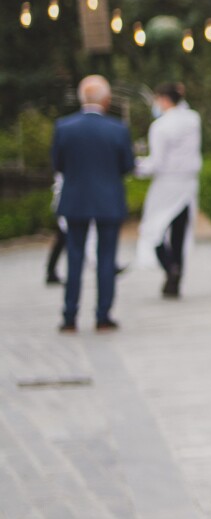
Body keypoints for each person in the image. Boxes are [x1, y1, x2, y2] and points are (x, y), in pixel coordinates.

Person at [50, 75, 134, 332]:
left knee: (74, 258)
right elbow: (127, 166)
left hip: (75, 200)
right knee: (106, 258)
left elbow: (58, 165)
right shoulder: (118, 128)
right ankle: (103, 315)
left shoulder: (64, 127)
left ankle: (69, 316)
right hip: (108, 200)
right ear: (106, 100)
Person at [135, 82, 202, 298]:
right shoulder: (193, 119)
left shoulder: (161, 126)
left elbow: (156, 162)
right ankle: (176, 277)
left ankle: (170, 267)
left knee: (154, 231)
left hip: (166, 184)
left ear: (164, 99)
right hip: (188, 183)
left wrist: (135, 166)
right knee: (179, 234)